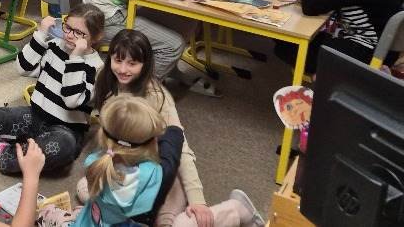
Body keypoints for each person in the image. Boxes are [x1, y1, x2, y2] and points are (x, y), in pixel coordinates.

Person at [61, 95, 263, 227]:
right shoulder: (151, 172)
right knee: (184, 222)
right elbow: (172, 150)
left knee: (85, 188)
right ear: (152, 143)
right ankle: (239, 209)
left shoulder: (94, 161)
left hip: (116, 208)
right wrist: (173, 128)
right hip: (143, 209)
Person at [90, 30, 212, 227]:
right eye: (118, 60)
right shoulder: (104, 79)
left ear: (145, 64)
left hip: (154, 169)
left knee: (171, 219)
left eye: (132, 63)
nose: (122, 69)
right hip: (121, 166)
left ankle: (234, 210)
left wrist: (198, 199)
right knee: (85, 189)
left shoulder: (157, 96)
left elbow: (180, 147)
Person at [0, 4, 105, 175]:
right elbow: (23, 68)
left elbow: (71, 100)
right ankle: (14, 145)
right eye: (67, 27)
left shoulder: (97, 68)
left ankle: (4, 151)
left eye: (79, 33)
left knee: (62, 148)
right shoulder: (55, 46)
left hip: (65, 130)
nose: (69, 35)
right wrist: (41, 34)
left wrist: (75, 57)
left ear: (96, 37)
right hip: (35, 115)